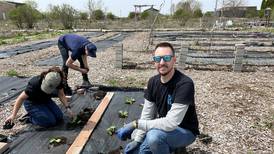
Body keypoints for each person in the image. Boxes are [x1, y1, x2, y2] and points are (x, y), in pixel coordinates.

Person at [116, 42, 199, 154]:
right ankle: (170, 147)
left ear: (174, 60)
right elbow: (147, 114)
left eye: (167, 58)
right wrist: (138, 140)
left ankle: (177, 147)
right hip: (163, 129)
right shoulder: (153, 82)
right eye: (158, 58)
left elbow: (171, 123)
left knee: (153, 137)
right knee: (137, 152)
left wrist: (135, 124)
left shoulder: (184, 84)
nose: (162, 62)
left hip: (185, 131)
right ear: (154, 61)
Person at [5, 67, 75, 128]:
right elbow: (20, 98)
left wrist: (67, 108)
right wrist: (13, 115)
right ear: (44, 78)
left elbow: (61, 95)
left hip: (45, 100)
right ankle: (29, 118)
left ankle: (40, 113)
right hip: (32, 103)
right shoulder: (34, 83)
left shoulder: (57, 80)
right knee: (50, 122)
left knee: (59, 117)